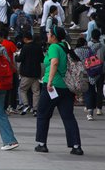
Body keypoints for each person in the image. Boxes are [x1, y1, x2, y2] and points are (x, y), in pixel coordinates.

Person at [35, 26, 83, 156]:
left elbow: (54, 63)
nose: (47, 35)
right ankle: (76, 146)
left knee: (43, 114)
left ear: (53, 36)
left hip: (52, 86)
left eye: (49, 33)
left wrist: (49, 81)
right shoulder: (65, 47)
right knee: (68, 117)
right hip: (66, 88)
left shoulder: (54, 47)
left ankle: (41, 144)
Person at [16, 33, 43, 116]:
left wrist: (16, 57)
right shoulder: (38, 47)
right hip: (36, 73)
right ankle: (35, 109)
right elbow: (42, 59)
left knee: (22, 89)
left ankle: (26, 104)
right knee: (36, 92)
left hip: (26, 73)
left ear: (25, 39)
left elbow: (20, 59)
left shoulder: (25, 47)